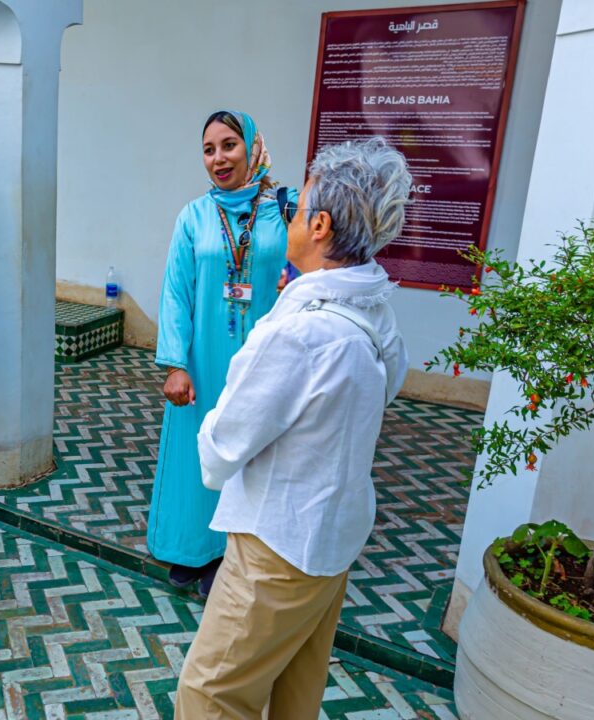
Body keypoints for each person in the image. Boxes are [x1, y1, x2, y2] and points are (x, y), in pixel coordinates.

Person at [176, 137, 411, 719]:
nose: (293, 218)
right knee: (294, 693)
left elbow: (218, 451)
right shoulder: (375, 311)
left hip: (276, 548)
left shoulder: (302, 334)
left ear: (322, 225)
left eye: (300, 209)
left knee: (209, 694)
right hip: (332, 539)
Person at [148, 110, 294, 597]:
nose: (219, 158)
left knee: (253, 450)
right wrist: (174, 364)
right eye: (209, 149)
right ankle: (191, 548)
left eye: (229, 145)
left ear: (253, 147)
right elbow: (176, 293)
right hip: (205, 356)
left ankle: (235, 557)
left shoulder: (286, 209)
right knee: (200, 448)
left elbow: (310, 266)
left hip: (265, 355)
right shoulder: (193, 216)